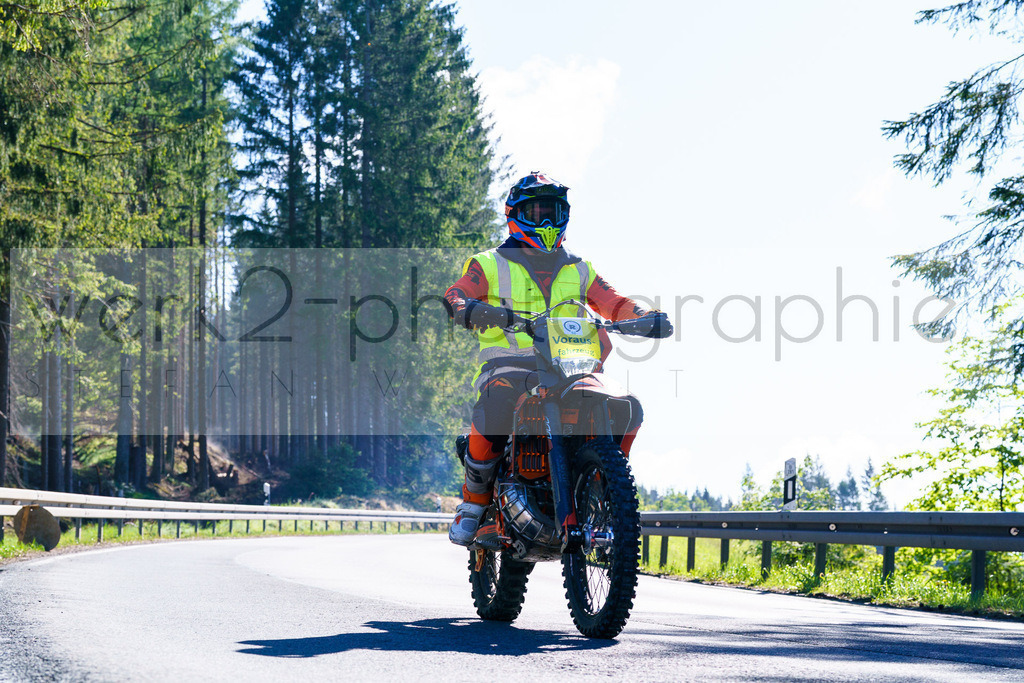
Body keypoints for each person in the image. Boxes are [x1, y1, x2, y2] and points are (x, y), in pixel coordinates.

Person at [443, 172, 672, 546]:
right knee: (497, 404)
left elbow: (614, 303)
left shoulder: (580, 268)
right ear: (515, 214)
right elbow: (458, 293)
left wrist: (644, 317)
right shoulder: (488, 263)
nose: (546, 221)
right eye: (536, 211)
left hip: (572, 366)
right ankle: (473, 502)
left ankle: (605, 482)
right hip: (511, 365)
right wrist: (469, 308)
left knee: (629, 407)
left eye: (552, 211)